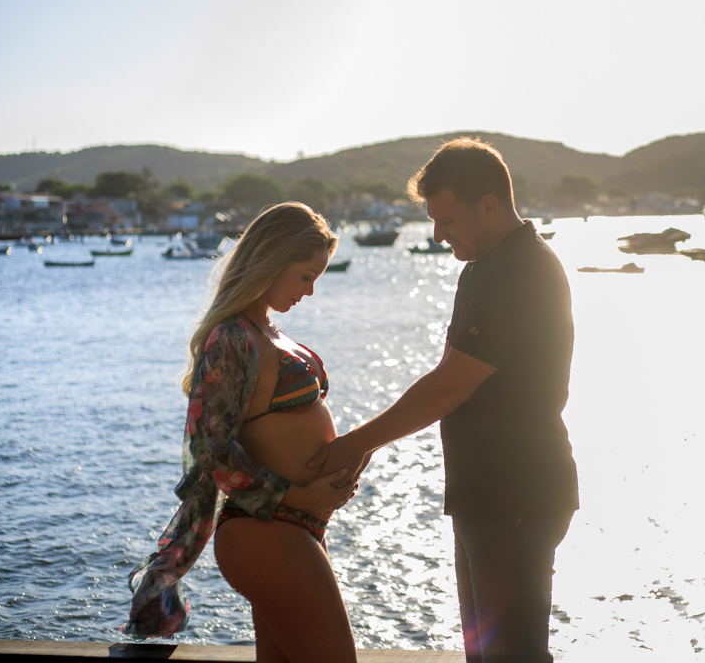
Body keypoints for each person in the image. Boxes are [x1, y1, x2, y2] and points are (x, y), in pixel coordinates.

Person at [309, 138, 578, 663]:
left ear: (489, 206)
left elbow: (451, 384)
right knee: (485, 655)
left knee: (513, 657)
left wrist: (355, 445)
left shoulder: (521, 270)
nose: (438, 234)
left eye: (447, 219)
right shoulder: (481, 268)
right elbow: (448, 376)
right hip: (484, 496)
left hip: (517, 495)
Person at [125, 202, 359, 663]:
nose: (310, 292)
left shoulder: (266, 332)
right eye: (305, 276)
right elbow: (211, 450)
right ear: (272, 260)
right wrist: (298, 496)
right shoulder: (232, 337)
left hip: (295, 529)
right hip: (267, 530)